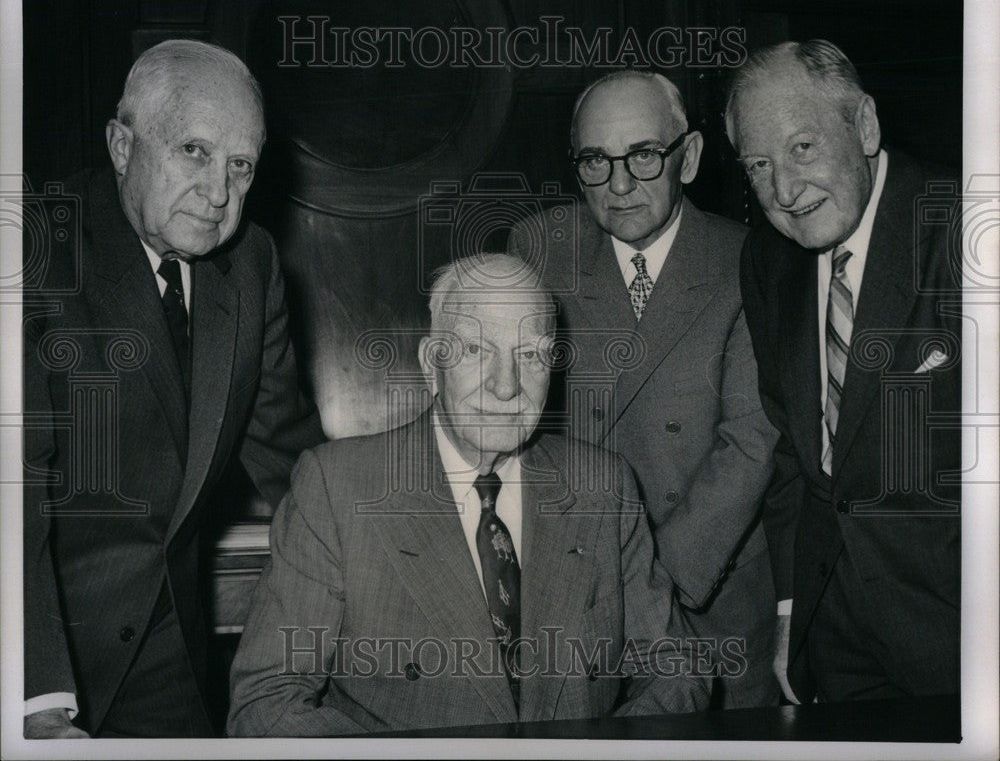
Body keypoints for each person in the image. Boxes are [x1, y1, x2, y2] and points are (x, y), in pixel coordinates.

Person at [228, 253, 710, 735]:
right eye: (476, 350)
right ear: (430, 366)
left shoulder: (602, 488)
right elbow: (268, 702)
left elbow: (677, 667)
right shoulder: (338, 489)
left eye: (530, 355)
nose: (506, 387)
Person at [23, 39, 323, 738]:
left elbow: (289, 450)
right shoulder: (35, 243)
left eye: (241, 165)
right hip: (38, 642)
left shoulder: (250, 263)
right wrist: (36, 704)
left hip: (168, 646)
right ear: (122, 146)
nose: (220, 193)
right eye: (195, 150)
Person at [508, 71, 780, 708]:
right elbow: (517, 429)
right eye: (596, 161)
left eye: (644, 155)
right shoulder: (540, 249)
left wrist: (645, 580)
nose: (620, 184)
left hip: (707, 590)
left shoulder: (750, 259)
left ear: (688, 158)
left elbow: (749, 444)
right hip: (577, 594)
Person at [726, 39, 961, 703]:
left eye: (802, 148)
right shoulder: (768, 262)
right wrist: (790, 615)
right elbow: (793, 460)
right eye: (759, 165)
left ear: (864, 125)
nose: (784, 191)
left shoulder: (967, 228)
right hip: (835, 636)